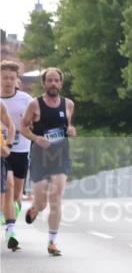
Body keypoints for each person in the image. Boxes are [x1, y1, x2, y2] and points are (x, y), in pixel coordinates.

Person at [20, 68, 76, 256]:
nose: (53, 84)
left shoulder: (68, 104)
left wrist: (71, 131)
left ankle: (52, 242)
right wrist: (37, 139)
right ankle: (35, 208)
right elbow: (23, 128)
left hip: (60, 157)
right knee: (42, 201)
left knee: (56, 198)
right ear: (43, 84)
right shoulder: (35, 104)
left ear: (61, 84)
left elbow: (68, 127)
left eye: (56, 80)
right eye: (49, 80)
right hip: (39, 157)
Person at [1, 61, 32, 251]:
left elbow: (36, 120)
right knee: (8, 185)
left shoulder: (25, 99)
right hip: (2, 150)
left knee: (17, 195)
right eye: (4, 77)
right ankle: (10, 229)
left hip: (21, 149)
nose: (8, 81)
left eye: (11, 78)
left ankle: (9, 216)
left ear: (16, 80)